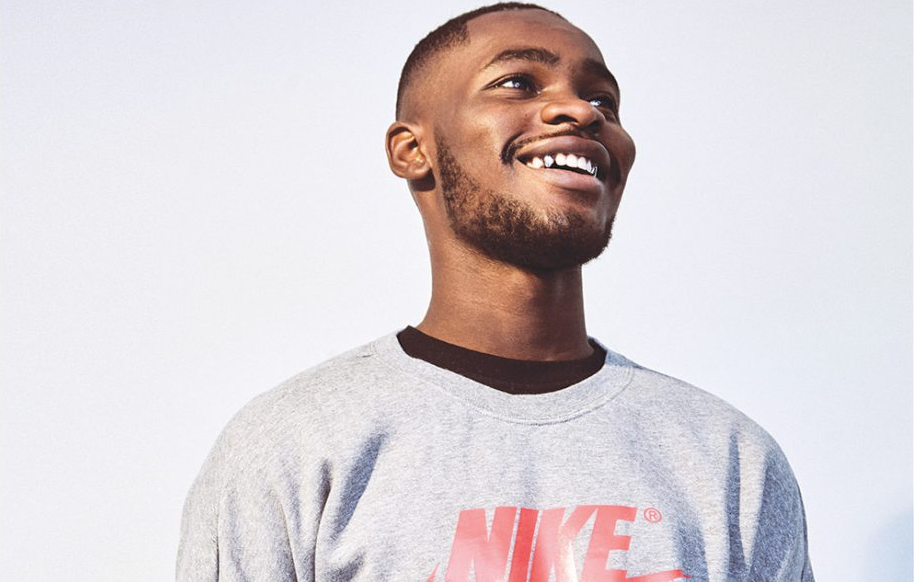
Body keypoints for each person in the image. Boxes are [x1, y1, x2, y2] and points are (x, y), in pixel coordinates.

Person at [176, 3, 814, 581]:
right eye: (518, 82)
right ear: (412, 150)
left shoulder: (729, 459)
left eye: (603, 99)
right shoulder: (295, 442)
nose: (582, 111)